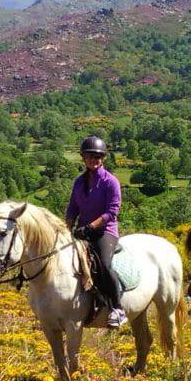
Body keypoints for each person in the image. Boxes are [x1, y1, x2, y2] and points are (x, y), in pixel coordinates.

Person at [65, 135, 127, 328]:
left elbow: (112, 212)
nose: (94, 160)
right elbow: (73, 207)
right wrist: (67, 228)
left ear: (103, 159)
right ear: (83, 158)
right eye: (90, 156)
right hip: (82, 231)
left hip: (104, 232)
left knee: (104, 264)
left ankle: (117, 308)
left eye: (97, 156)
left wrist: (91, 226)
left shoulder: (111, 182)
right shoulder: (79, 182)